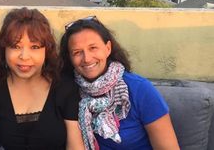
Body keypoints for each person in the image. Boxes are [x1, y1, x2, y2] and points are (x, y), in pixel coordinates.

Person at [59, 16, 180, 150]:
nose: (87, 58)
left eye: (93, 48)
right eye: (77, 52)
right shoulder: (69, 91)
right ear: (69, 58)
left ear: (108, 48)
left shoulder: (139, 89)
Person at [0, 7, 84, 150]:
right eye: (15, 46)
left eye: (34, 47)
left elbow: (75, 146)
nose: (24, 56)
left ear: (47, 50)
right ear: (4, 49)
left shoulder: (65, 88)